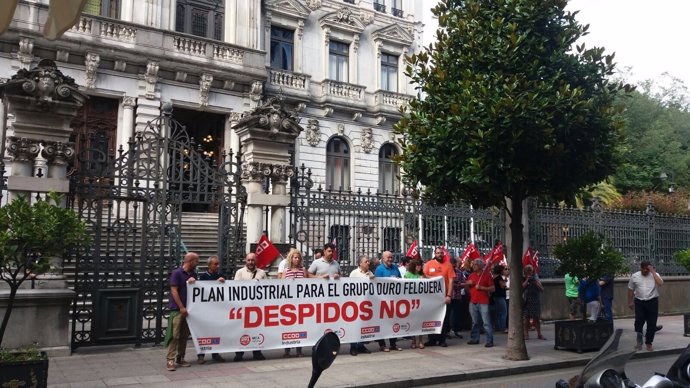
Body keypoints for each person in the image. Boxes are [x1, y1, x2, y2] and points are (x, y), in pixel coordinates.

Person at [165, 252, 199, 371]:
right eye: (196, 260)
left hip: (189, 310)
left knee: (184, 335)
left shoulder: (193, 274)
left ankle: (180, 357)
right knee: (174, 335)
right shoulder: (177, 273)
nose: (198, 263)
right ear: (190, 261)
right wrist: (181, 307)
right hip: (178, 309)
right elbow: (174, 291)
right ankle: (170, 359)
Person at [233, 253, 267, 362]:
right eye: (248, 260)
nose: (250, 262)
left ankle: (257, 352)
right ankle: (239, 353)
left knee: (256, 330)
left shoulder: (262, 273)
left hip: (257, 308)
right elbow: (235, 288)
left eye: (252, 260)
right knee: (241, 330)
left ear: (256, 261)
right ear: (245, 261)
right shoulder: (240, 273)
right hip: (243, 307)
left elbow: (267, 288)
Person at [628, 261, 663, 351]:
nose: (645, 271)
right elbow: (630, 289)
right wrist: (630, 301)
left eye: (647, 269)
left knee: (652, 323)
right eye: (643, 269)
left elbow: (660, 283)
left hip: (652, 302)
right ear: (640, 268)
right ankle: (639, 342)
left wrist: (653, 271)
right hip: (639, 302)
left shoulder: (655, 275)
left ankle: (649, 342)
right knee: (639, 321)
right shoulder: (635, 276)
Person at [197, 255, 226, 364]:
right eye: (215, 264)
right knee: (203, 333)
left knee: (217, 332)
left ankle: (215, 353)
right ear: (209, 265)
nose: (218, 266)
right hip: (206, 310)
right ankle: (201, 355)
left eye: (218, 264)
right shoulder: (203, 277)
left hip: (217, 310)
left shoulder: (220, 275)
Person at [423, 247, 454, 347]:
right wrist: (434, 278)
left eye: (441, 253)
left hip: (444, 297)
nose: (439, 254)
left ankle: (442, 340)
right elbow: (423, 277)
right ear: (434, 253)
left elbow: (451, 281)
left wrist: (449, 295)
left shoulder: (448, 265)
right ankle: (431, 339)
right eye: (438, 253)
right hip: (431, 298)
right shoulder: (428, 264)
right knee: (431, 318)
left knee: (444, 319)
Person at [374, 251, 402, 352]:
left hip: (394, 300)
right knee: (382, 323)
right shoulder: (379, 269)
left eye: (391, 257)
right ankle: (382, 345)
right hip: (383, 301)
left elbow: (400, 281)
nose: (390, 259)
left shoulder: (395, 268)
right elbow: (378, 285)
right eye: (388, 258)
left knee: (393, 322)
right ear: (383, 259)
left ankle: (393, 343)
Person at [348, 255, 375, 356]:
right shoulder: (354, 273)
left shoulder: (370, 272)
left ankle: (361, 345)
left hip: (366, 305)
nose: (368, 263)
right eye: (366, 261)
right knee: (355, 325)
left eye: (368, 261)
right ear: (360, 263)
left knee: (363, 325)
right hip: (355, 304)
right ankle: (353, 347)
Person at [466, 258, 495, 347]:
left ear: (481, 266)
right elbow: (466, 289)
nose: (473, 266)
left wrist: (482, 288)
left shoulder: (487, 275)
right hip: (473, 301)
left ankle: (489, 340)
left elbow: (493, 289)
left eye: (475, 264)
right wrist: (468, 283)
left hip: (483, 302)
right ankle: (475, 338)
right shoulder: (471, 275)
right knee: (475, 322)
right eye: (473, 264)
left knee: (486, 322)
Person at [282, 248, 306, 357]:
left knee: (299, 326)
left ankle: (299, 349)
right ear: (291, 259)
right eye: (295, 257)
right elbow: (281, 285)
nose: (297, 260)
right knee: (287, 326)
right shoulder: (286, 271)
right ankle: (286, 350)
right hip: (288, 303)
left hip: (300, 303)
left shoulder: (303, 270)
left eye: (298, 258)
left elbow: (306, 285)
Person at [404, 259, 426, 349]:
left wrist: (424, 279)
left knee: (420, 321)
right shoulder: (408, 275)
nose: (419, 267)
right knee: (412, 321)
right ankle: (413, 340)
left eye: (420, 265)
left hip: (421, 301)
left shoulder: (422, 275)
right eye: (417, 265)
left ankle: (421, 340)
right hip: (411, 301)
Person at [522, 264, 545, 340]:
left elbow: (542, 289)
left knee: (536, 318)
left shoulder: (536, 278)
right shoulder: (523, 278)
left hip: (535, 300)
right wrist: (527, 280)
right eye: (527, 271)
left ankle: (539, 334)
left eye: (530, 271)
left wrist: (536, 283)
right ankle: (526, 334)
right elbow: (521, 288)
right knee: (526, 318)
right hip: (527, 300)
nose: (529, 272)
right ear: (525, 272)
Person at [450, 257, 468, 339]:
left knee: (457, 314)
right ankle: (447, 331)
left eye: (454, 266)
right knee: (449, 315)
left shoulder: (459, 273)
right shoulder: (447, 272)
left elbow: (465, 283)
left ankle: (456, 330)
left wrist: (459, 284)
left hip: (457, 296)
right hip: (449, 296)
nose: (453, 268)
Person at [492, 264, 508, 333]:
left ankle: (497, 327)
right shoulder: (499, 278)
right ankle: (502, 327)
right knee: (503, 312)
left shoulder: (494, 277)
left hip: (495, 296)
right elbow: (503, 286)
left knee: (498, 312)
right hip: (500, 296)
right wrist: (505, 280)